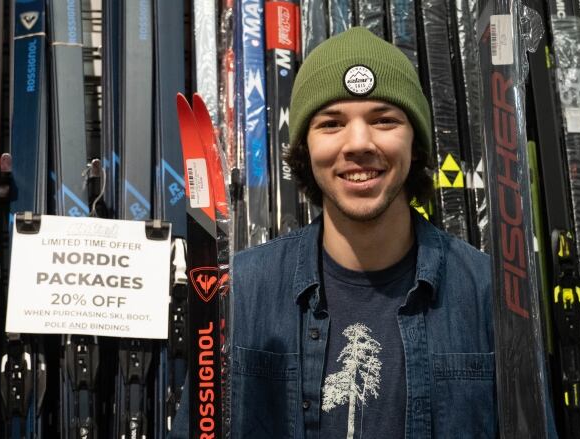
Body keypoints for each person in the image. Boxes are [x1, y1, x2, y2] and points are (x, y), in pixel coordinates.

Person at [172, 26, 550, 438]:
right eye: (331, 123)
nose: (358, 143)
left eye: (384, 120)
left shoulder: (491, 292)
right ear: (304, 148)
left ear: (416, 143)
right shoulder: (244, 289)